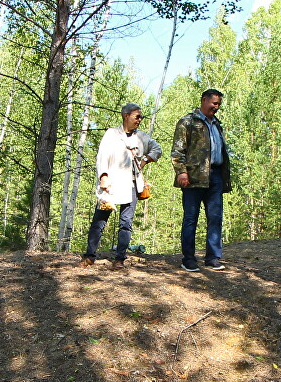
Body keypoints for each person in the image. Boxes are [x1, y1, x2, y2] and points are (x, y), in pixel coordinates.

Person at [80, 103, 159, 268]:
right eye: (137, 116)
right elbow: (102, 156)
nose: (140, 120)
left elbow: (157, 149)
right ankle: (89, 256)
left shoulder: (142, 137)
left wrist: (144, 160)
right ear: (126, 115)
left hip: (131, 185)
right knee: (99, 221)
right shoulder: (111, 134)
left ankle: (120, 259)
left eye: (141, 117)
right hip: (111, 184)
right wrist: (103, 177)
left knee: (126, 222)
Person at [171, 88, 232, 272]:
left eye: (219, 104)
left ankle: (213, 258)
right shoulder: (188, 122)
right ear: (204, 100)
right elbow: (177, 151)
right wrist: (181, 172)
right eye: (214, 103)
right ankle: (188, 259)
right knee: (191, 218)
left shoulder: (217, 124)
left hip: (215, 177)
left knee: (215, 218)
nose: (217, 107)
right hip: (193, 178)